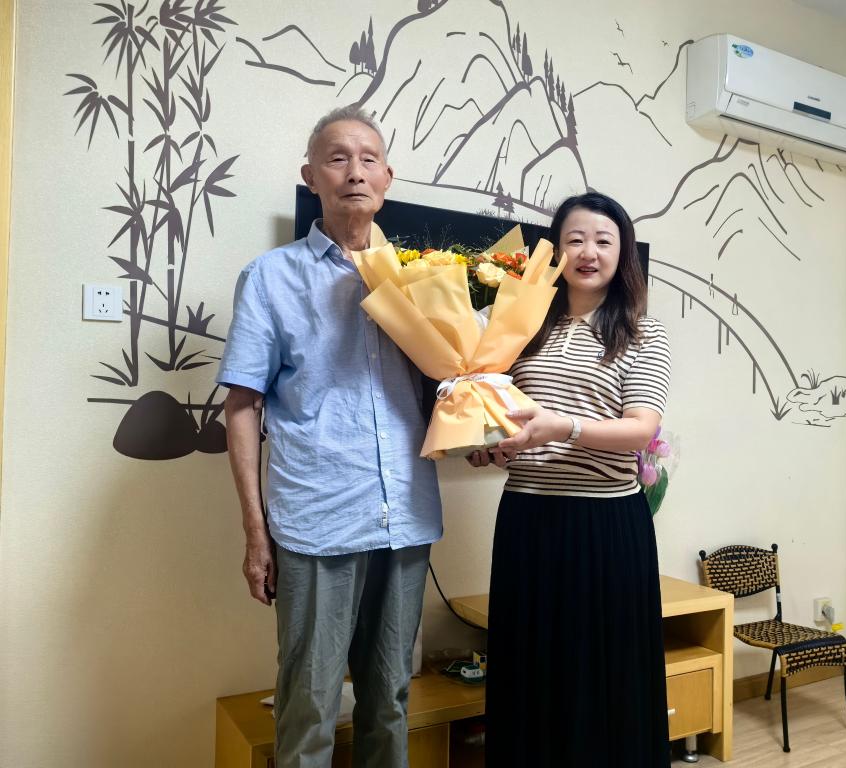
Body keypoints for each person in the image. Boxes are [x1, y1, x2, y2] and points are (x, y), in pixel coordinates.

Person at [218, 105, 442, 768]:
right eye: (337, 158)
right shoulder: (271, 276)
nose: (355, 172)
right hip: (316, 518)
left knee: (390, 700)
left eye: (369, 159)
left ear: (388, 178)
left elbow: (447, 384)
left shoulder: (423, 279)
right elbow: (241, 407)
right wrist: (256, 533)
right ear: (310, 175)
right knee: (310, 705)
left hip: (405, 516)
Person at [469, 192, 672, 768]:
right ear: (555, 252)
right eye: (574, 240)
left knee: (603, 671)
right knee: (530, 665)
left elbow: (640, 429)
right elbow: (502, 415)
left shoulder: (642, 331)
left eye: (604, 241)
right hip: (527, 517)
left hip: (604, 525)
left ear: (622, 254)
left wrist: (564, 428)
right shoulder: (525, 326)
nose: (588, 252)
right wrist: (485, 447)